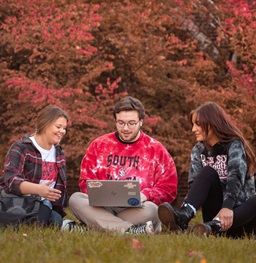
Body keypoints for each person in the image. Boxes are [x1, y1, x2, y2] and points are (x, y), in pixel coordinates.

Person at [68, 96, 178, 234]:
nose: (125, 128)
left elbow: (169, 188)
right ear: (115, 121)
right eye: (120, 123)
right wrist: (100, 193)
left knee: (152, 209)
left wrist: (145, 195)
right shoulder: (99, 145)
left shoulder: (156, 149)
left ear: (141, 122)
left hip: (136, 209)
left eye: (131, 123)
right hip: (103, 207)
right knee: (75, 199)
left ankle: (93, 227)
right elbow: (85, 182)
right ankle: (130, 230)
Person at [158, 101, 256, 238]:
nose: (193, 129)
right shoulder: (199, 149)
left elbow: (235, 176)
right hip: (212, 218)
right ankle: (183, 217)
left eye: (198, 124)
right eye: (193, 125)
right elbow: (195, 185)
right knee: (208, 172)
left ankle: (214, 226)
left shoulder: (234, 144)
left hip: (240, 218)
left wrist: (227, 206)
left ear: (212, 123)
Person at [0, 105, 69, 228]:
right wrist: (38, 190)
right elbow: (11, 180)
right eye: (58, 127)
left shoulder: (59, 153)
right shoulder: (22, 147)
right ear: (44, 124)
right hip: (18, 200)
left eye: (64, 128)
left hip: (44, 204)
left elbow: (59, 190)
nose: (62, 131)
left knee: (55, 220)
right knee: (42, 219)